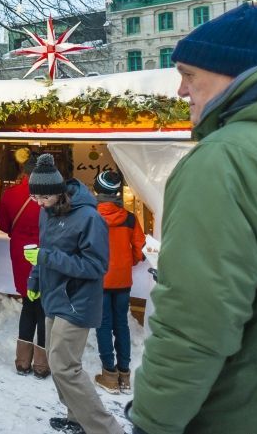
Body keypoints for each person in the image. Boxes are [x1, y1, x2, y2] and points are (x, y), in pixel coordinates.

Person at [129, 4, 257, 434]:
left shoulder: (229, 158)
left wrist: (152, 422)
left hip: (241, 412)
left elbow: (195, 321)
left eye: (189, 74)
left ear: (231, 72)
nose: (180, 90)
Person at [25, 154, 121, 434]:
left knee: (66, 367)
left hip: (78, 301)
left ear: (57, 192)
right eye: (34, 198)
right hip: (54, 297)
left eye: (42, 198)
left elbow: (96, 265)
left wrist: (48, 258)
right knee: (58, 364)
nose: (38, 204)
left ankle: (107, 429)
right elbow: (42, 252)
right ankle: (75, 418)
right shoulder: (48, 213)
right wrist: (35, 281)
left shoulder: (90, 217)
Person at [92, 170, 145, 396]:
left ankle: (109, 375)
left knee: (103, 324)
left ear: (97, 191)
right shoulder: (130, 218)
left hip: (99, 279)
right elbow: (140, 250)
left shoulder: (90, 216)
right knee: (121, 324)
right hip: (123, 279)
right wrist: (127, 261)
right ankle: (124, 375)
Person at [0, 153, 49, 377]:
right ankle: (41, 364)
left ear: (24, 172)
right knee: (45, 309)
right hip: (46, 256)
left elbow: (3, 225)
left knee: (29, 304)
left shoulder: (10, 195)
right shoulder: (51, 197)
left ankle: (22, 361)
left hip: (21, 254)